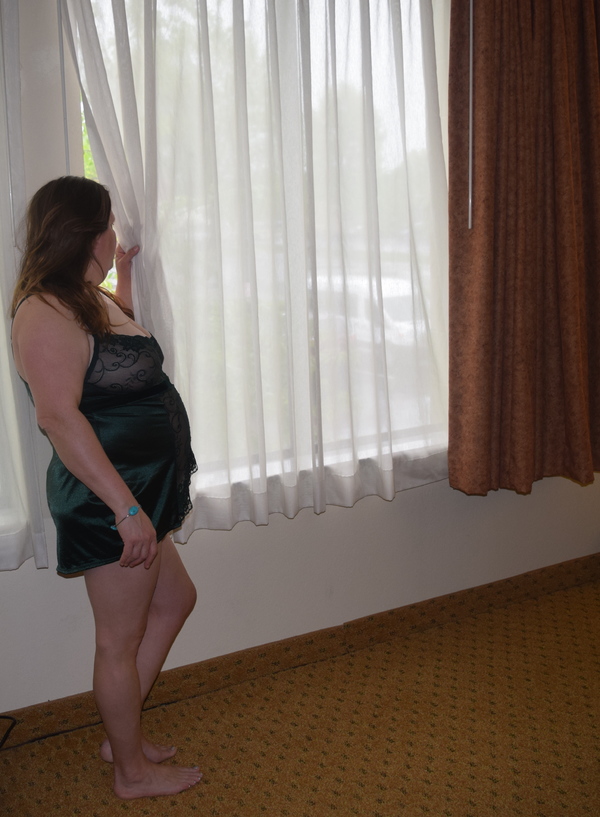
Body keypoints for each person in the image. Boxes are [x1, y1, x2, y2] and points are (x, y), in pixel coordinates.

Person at [10, 176, 203, 800]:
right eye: (110, 222)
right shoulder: (42, 311)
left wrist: (124, 274)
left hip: (140, 490)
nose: (115, 230)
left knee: (175, 600)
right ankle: (131, 772)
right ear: (87, 231)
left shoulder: (84, 297)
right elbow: (58, 417)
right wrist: (124, 509)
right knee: (118, 641)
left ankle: (122, 737)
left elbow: (108, 358)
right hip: (108, 500)